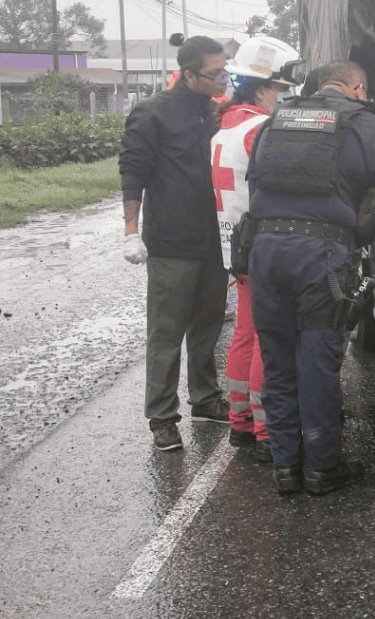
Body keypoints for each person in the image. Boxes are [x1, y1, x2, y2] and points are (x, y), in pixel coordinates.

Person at [247, 61, 375, 495]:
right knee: (316, 362)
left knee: (278, 361)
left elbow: (254, 183)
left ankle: (285, 468)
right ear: (357, 87)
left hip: (264, 250)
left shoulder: (274, 120)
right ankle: (321, 469)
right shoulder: (366, 124)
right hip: (320, 255)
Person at [119, 35, 231, 452]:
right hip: (172, 243)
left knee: (208, 325)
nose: (223, 79)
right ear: (188, 75)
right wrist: (131, 230)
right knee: (166, 333)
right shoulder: (152, 114)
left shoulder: (214, 111)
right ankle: (162, 417)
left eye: (225, 70)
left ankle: (205, 398)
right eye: (215, 73)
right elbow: (132, 172)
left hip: (213, 240)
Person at [211, 35, 302, 463]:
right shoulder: (260, 129)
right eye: (282, 90)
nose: (284, 99)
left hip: (235, 247)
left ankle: (241, 421)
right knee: (270, 339)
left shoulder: (225, 127)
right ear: (265, 87)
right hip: (262, 246)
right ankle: (268, 429)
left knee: (245, 334)